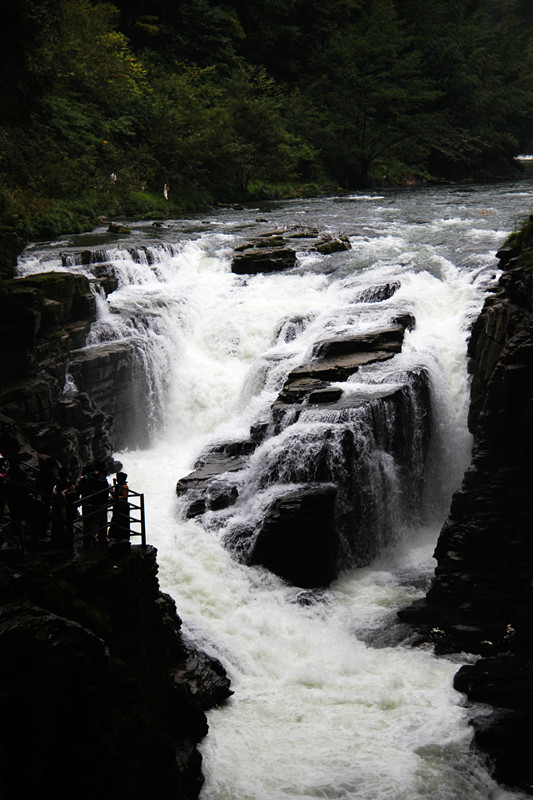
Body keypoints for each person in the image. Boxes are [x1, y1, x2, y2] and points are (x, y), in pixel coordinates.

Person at [78, 462, 110, 548]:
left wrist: (78, 500)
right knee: (102, 523)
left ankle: (87, 542)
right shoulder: (103, 479)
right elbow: (105, 493)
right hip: (100, 505)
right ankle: (102, 540)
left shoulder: (86, 477)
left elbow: (79, 489)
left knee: (87, 524)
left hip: (87, 504)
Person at [108, 472, 130, 541]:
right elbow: (116, 493)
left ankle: (122, 537)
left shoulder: (125, 486)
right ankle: (113, 536)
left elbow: (124, 496)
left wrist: (115, 497)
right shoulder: (119, 485)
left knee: (122, 522)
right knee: (115, 521)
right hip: (118, 506)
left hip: (122, 506)